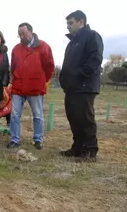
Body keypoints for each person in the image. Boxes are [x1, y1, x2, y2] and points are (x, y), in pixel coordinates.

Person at [59, 10, 103, 162]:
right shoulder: (72, 42)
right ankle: (77, 148)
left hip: (85, 86)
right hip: (72, 88)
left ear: (81, 22)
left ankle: (90, 151)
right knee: (74, 118)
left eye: (71, 23)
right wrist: (64, 79)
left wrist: (79, 75)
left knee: (85, 118)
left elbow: (95, 59)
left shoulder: (92, 36)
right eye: (67, 24)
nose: (68, 27)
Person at [8, 23, 55, 149]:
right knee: (14, 114)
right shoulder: (16, 49)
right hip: (18, 87)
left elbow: (50, 67)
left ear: (31, 31)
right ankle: (15, 139)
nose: (21, 36)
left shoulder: (44, 47)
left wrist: (42, 80)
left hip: (35, 87)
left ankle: (38, 139)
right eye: (19, 34)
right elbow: (13, 67)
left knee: (38, 115)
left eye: (23, 33)